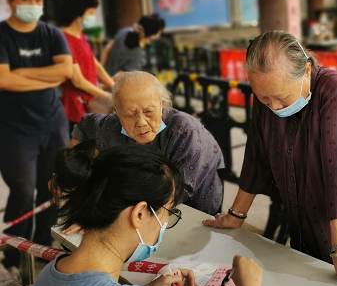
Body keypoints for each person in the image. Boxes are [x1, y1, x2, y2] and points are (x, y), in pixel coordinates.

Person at [204, 31, 337, 286]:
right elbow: (257, 156)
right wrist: (236, 215)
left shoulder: (335, 93)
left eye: (281, 98)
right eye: (264, 98)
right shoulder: (267, 94)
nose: (273, 106)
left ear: (306, 71)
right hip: (305, 221)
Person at [26, 142, 266, 286]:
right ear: (139, 214)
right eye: (168, 211)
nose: (165, 222)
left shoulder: (50, 275)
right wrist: (251, 285)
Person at [71, 71, 224, 216]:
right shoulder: (110, 127)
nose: (141, 122)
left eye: (149, 111)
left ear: (161, 105)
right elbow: (83, 127)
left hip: (196, 202)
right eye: (130, 114)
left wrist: (99, 215)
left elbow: (176, 192)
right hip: (140, 199)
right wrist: (79, 171)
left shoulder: (184, 131)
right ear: (116, 111)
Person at [0, 0, 73, 271]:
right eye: (26, 0)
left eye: (38, 0)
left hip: (53, 125)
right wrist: (46, 75)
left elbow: (65, 71)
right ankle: (13, 255)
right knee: (22, 193)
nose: (33, 5)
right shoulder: (2, 35)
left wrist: (21, 73)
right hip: (14, 130)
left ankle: (43, 248)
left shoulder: (51, 33)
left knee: (52, 191)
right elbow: (3, 79)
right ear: (11, 1)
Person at [58, 0, 115, 130]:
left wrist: (115, 88)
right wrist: (108, 96)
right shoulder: (63, 39)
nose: (92, 17)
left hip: (89, 102)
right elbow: (78, 81)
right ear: (77, 14)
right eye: (90, 13)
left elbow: (95, 65)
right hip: (74, 107)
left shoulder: (79, 35)